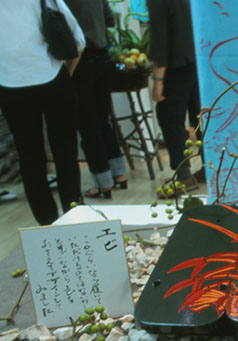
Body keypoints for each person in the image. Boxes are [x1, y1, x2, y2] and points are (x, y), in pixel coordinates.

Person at [0, 0, 85, 225]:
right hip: (52, 78)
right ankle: (74, 216)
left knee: (29, 157)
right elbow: (78, 40)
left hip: (9, 85)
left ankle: (46, 223)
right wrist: (65, 75)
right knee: (66, 153)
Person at [65, 0, 128, 199]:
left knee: (87, 125)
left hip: (80, 60)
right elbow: (110, 19)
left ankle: (103, 184)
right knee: (103, 120)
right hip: (103, 58)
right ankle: (119, 174)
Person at [147, 0, 203, 190]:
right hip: (195, 59)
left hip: (175, 66)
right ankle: (208, 168)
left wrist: (158, 80)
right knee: (200, 116)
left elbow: (160, 41)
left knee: (169, 117)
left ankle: (184, 175)